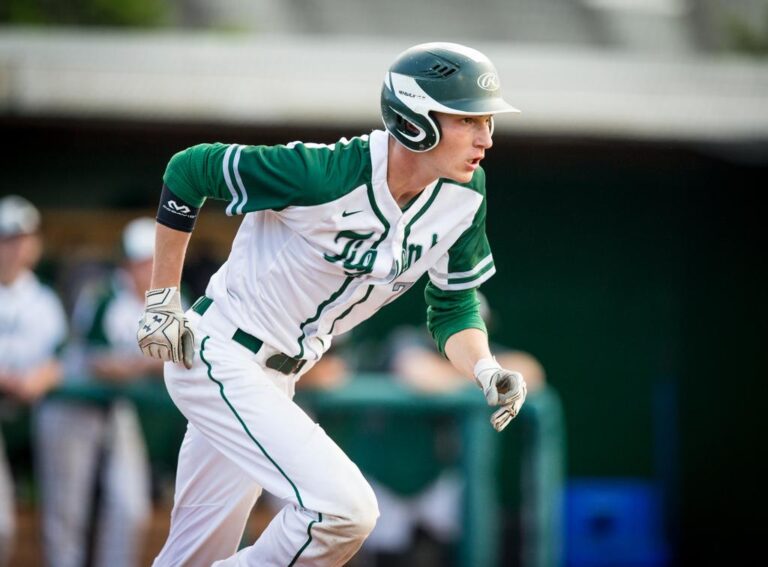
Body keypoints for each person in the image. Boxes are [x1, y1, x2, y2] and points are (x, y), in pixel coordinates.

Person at [136, 41, 528, 566]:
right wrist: (163, 300)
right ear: (416, 121)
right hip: (220, 353)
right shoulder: (324, 173)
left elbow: (454, 306)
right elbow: (189, 170)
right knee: (343, 510)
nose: (486, 137)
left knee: (192, 555)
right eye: (467, 120)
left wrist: (483, 367)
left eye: (487, 121)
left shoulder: (464, 195)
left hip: (279, 378)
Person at [35, 217, 161, 567]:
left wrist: (147, 364)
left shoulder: (166, 299)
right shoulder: (103, 295)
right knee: (67, 512)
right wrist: (152, 363)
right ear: (126, 263)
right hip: (71, 406)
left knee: (129, 508)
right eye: (141, 261)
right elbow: (100, 364)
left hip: (117, 408)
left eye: (155, 259)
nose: (149, 269)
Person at [0, 195, 68, 567]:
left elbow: (62, 357)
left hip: (38, 411)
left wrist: (41, 377)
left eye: (23, 238)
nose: (16, 248)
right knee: (2, 526)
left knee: (61, 513)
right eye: (8, 239)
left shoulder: (43, 298)